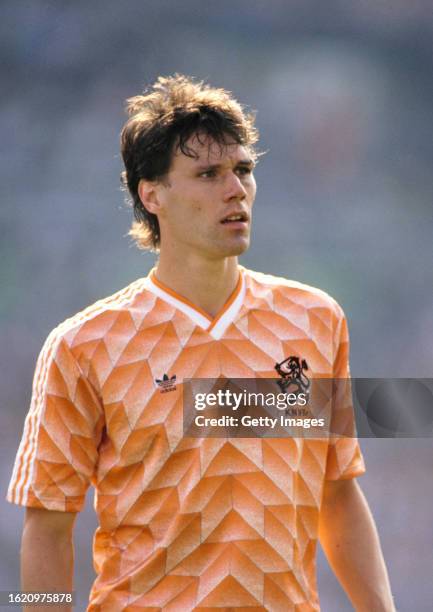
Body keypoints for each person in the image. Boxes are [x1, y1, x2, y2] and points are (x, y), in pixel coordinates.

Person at [7, 75, 395, 611]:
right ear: (152, 194)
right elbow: (48, 524)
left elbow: (337, 492)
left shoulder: (314, 319)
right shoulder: (83, 345)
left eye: (243, 170)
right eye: (208, 174)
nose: (235, 189)